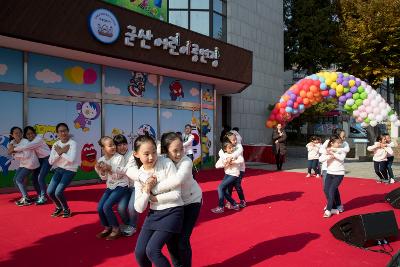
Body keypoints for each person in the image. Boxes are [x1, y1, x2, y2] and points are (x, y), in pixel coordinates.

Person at [127, 135, 184, 267]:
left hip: (173, 211)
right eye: (146, 154)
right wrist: (147, 189)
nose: (151, 157)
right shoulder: (139, 174)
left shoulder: (166, 164)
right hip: (154, 214)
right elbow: (139, 208)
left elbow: (176, 194)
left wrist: (154, 197)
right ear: (136, 154)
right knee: (139, 252)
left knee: (152, 250)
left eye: (153, 152)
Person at [152, 132, 202, 267]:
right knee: (171, 240)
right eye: (175, 151)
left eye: (181, 149)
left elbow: (178, 180)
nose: (179, 153)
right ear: (165, 150)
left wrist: (154, 191)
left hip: (192, 202)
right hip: (174, 203)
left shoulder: (186, 161)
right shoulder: (162, 160)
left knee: (182, 240)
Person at [95, 136, 129, 240]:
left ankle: (116, 229)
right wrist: (101, 171)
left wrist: (109, 169)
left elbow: (119, 176)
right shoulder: (101, 160)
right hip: (110, 186)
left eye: (113, 144)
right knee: (100, 207)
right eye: (110, 145)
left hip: (121, 185)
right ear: (103, 148)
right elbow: (104, 178)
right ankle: (107, 227)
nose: (113, 147)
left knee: (107, 206)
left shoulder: (119, 158)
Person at [12, 126, 51, 205]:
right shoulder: (28, 141)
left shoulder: (38, 139)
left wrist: (13, 149)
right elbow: (21, 147)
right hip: (39, 160)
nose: (30, 135)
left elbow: (26, 147)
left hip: (47, 159)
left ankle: (43, 197)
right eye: (28, 134)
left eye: (32, 133)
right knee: (34, 178)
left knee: (40, 178)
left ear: (35, 133)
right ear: (25, 136)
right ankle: (39, 195)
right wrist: (13, 148)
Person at [47, 123, 78, 218]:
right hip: (59, 169)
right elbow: (50, 161)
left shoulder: (73, 143)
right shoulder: (56, 144)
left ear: (68, 131)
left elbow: (71, 159)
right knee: (50, 192)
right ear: (57, 133)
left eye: (65, 130)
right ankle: (58, 207)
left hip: (70, 170)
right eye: (60, 131)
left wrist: (60, 152)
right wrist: (61, 152)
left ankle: (66, 209)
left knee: (58, 192)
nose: (63, 133)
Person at [113, 134, 139, 237]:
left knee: (131, 207)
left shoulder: (132, 155)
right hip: (124, 187)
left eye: (124, 144)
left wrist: (113, 169)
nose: (122, 147)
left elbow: (126, 170)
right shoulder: (114, 157)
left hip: (135, 186)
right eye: (119, 145)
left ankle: (133, 226)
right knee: (120, 208)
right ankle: (127, 223)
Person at [7, 126, 40, 206]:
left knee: (19, 179)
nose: (18, 134)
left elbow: (26, 155)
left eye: (20, 132)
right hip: (24, 163)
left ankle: (26, 199)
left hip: (31, 163)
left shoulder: (25, 141)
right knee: (15, 180)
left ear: (22, 134)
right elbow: (11, 153)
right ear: (12, 135)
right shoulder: (12, 143)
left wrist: (14, 152)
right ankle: (25, 196)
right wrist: (13, 151)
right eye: (16, 133)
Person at [211, 140, 243, 213]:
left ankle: (221, 207)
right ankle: (234, 204)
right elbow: (216, 165)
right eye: (229, 148)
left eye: (232, 147)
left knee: (220, 187)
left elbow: (241, 160)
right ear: (225, 149)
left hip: (234, 175)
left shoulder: (235, 154)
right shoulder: (224, 156)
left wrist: (232, 161)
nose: (231, 149)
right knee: (224, 191)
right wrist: (225, 163)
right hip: (227, 174)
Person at [319, 135, 346, 218]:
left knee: (331, 191)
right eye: (337, 143)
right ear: (332, 143)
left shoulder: (341, 150)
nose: (339, 144)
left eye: (340, 143)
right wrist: (328, 156)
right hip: (330, 173)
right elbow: (320, 159)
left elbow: (342, 158)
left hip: (339, 174)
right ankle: (334, 207)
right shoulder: (327, 150)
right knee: (326, 190)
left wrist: (334, 154)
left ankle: (328, 210)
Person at [220, 131, 246, 208]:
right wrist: (225, 158)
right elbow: (221, 152)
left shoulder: (239, 146)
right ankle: (229, 201)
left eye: (235, 139)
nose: (235, 141)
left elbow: (237, 153)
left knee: (237, 185)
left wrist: (230, 158)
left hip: (240, 169)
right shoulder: (227, 146)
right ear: (228, 140)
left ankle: (242, 200)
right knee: (229, 186)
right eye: (233, 140)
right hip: (230, 170)